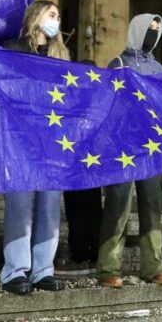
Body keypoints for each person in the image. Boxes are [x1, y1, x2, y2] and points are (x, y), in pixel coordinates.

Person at [96, 13, 162, 288]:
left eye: (157, 28)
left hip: (151, 147)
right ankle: (109, 267)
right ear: (137, 30)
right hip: (123, 145)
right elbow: (108, 105)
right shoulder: (118, 64)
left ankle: (154, 266)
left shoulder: (158, 69)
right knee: (118, 204)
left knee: (152, 205)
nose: (153, 33)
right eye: (149, 28)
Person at [0, 0, 68, 295]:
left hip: (52, 143)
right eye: (52, 14)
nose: (56, 20)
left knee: (50, 207)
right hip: (20, 140)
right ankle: (15, 270)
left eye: (59, 15)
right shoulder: (13, 50)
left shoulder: (61, 58)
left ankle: (43, 270)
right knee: (20, 205)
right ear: (36, 17)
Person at [55, 57, 103, 278]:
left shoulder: (95, 98)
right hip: (75, 160)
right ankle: (83, 252)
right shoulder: (74, 96)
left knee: (88, 206)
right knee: (78, 206)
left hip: (88, 161)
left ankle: (88, 252)